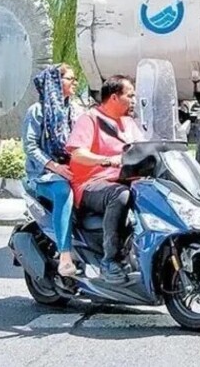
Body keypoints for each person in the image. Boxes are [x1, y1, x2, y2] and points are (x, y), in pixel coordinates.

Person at [65, 75, 144, 283]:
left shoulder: (129, 123)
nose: (134, 100)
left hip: (125, 179)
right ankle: (110, 261)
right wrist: (108, 160)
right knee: (120, 196)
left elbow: (144, 149)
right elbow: (77, 154)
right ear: (114, 97)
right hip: (91, 184)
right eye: (130, 95)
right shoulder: (90, 119)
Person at [21, 64, 79, 277]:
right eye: (70, 79)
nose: (75, 83)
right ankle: (65, 256)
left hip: (71, 168)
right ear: (55, 82)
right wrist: (54, 167)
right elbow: (30, 146)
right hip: (43, 175)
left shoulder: (73, 111)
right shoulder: (37, 111)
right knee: (63, 191)